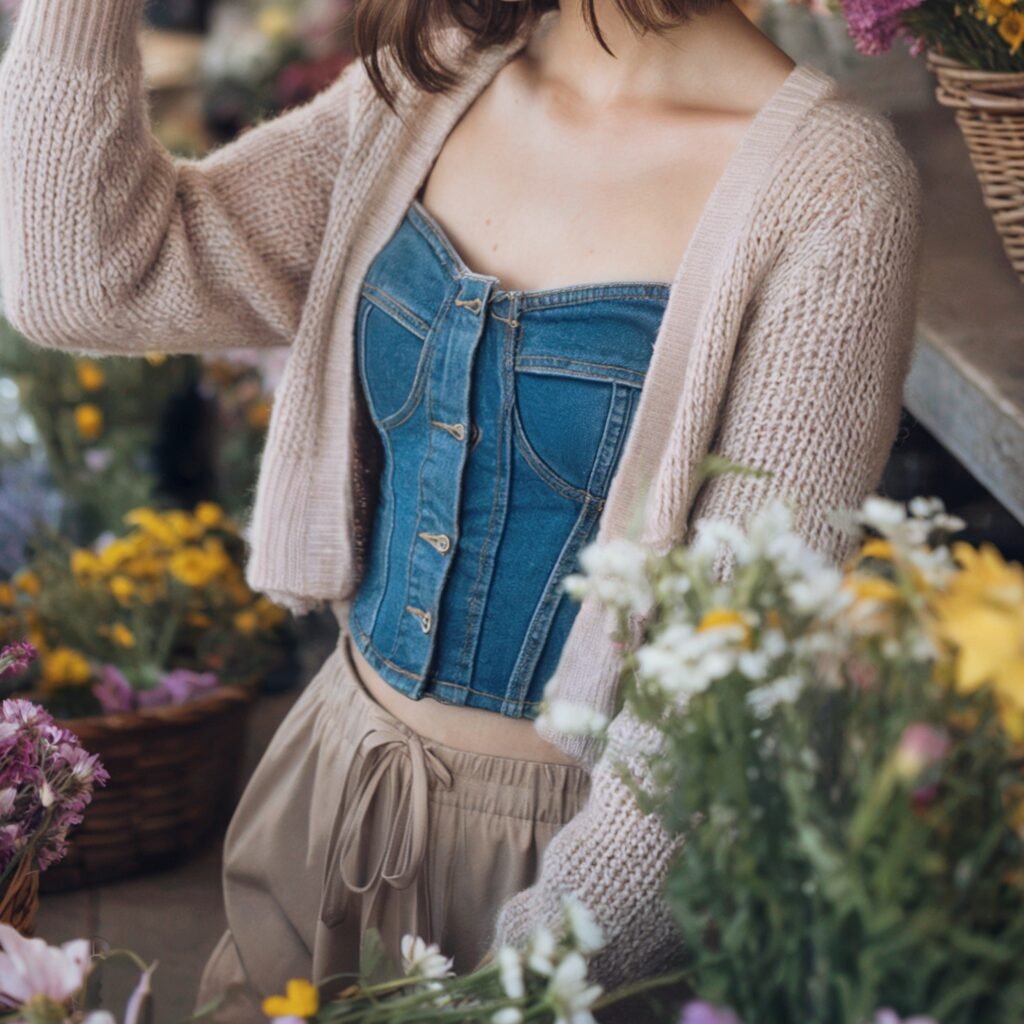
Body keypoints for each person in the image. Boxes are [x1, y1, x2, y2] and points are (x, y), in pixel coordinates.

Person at [0, 0, 924, 1020]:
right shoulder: (441, 77)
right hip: (326, 794)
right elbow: (90, 283)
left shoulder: (832, 188)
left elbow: (730, 691)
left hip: (586, 873)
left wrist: (523, 976)